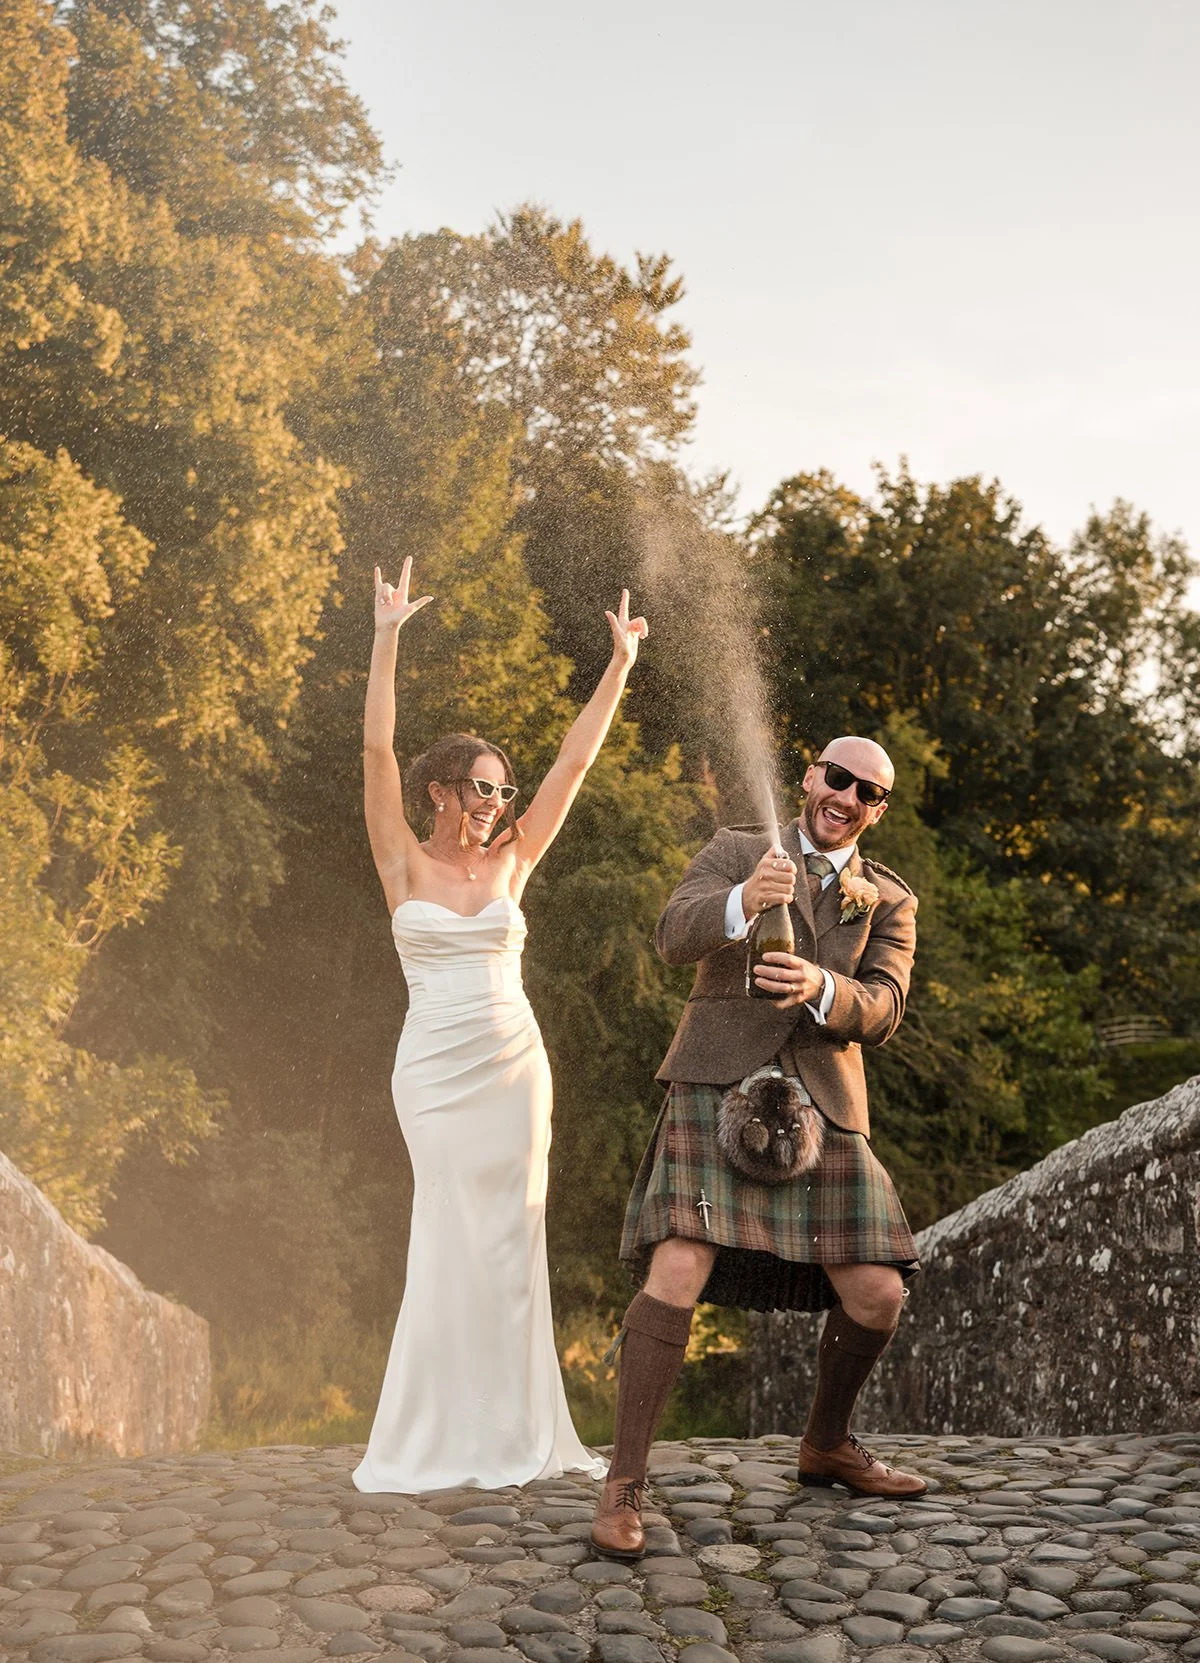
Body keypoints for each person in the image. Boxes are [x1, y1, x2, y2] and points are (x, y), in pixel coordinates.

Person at [591, 736, 927, 1559]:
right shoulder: (740, 848)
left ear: (879, 810)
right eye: (836, 778)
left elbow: (884, 1008)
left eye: (867, 792)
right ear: (810, 775)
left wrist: (823, 989)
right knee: (678, 1265)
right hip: (713, 1083)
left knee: (880, 1291)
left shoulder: (885, 897)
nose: (845, 797)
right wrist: (743, 898)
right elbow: (673, 934)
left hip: (823, 1100)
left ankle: (827, 1445)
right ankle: (623, 1482)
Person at [353, 556, 647, 1494]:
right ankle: (434, 1432)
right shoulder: (401, 862)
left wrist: (620, 668)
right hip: (433, 1074)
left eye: (501, 793)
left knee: (514, 1238)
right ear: (440, 791)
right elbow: (374, 757)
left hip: (515, 1066)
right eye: (480, 789)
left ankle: (518, 1429)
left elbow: (575, 762)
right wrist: (388, 638)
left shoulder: (515, 860)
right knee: (446, 1232)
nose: (495, 804)